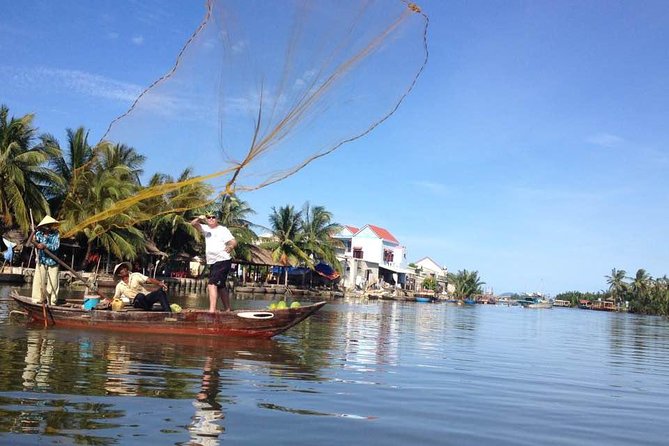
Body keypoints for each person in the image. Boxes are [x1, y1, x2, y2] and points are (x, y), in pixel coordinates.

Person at [190, 210, 237, 312]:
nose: (211, 219)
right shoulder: (205, 228)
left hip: (223, 259)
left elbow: (233, 241)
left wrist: (231, 246)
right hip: (213, 262)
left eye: (213, 217)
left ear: (217, 219)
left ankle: (212, 311)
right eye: (209, 217)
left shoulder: (223, 230)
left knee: (212, 284)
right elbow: (193, 224)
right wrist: (199, 218)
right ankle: (227, 309)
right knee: (221, 286)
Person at [105, 262, 171, 311]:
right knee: (140, 296)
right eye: (121, 269)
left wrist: (159, 283)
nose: (124, 269)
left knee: (160, 292)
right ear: (119, 274)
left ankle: (168, 314)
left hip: (146, 298)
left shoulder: (135, 275)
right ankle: (148, 310)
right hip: (136, 302)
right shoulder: (119, 286)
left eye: (124, 267)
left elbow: (148, 279)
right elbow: (116, 298)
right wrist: (108, 301)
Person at [30, 215, 61, 305]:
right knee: (39, 281)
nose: (47, 227)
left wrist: (45, 246)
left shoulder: (55, 234)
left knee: (53, 283)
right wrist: (34, 234)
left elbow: (56, 246)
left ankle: (52, 302)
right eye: (45, 225)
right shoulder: (38, 233)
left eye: (49, 225)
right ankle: (37, 300)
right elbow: (31, 242)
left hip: (53, 261)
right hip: (41, 261)